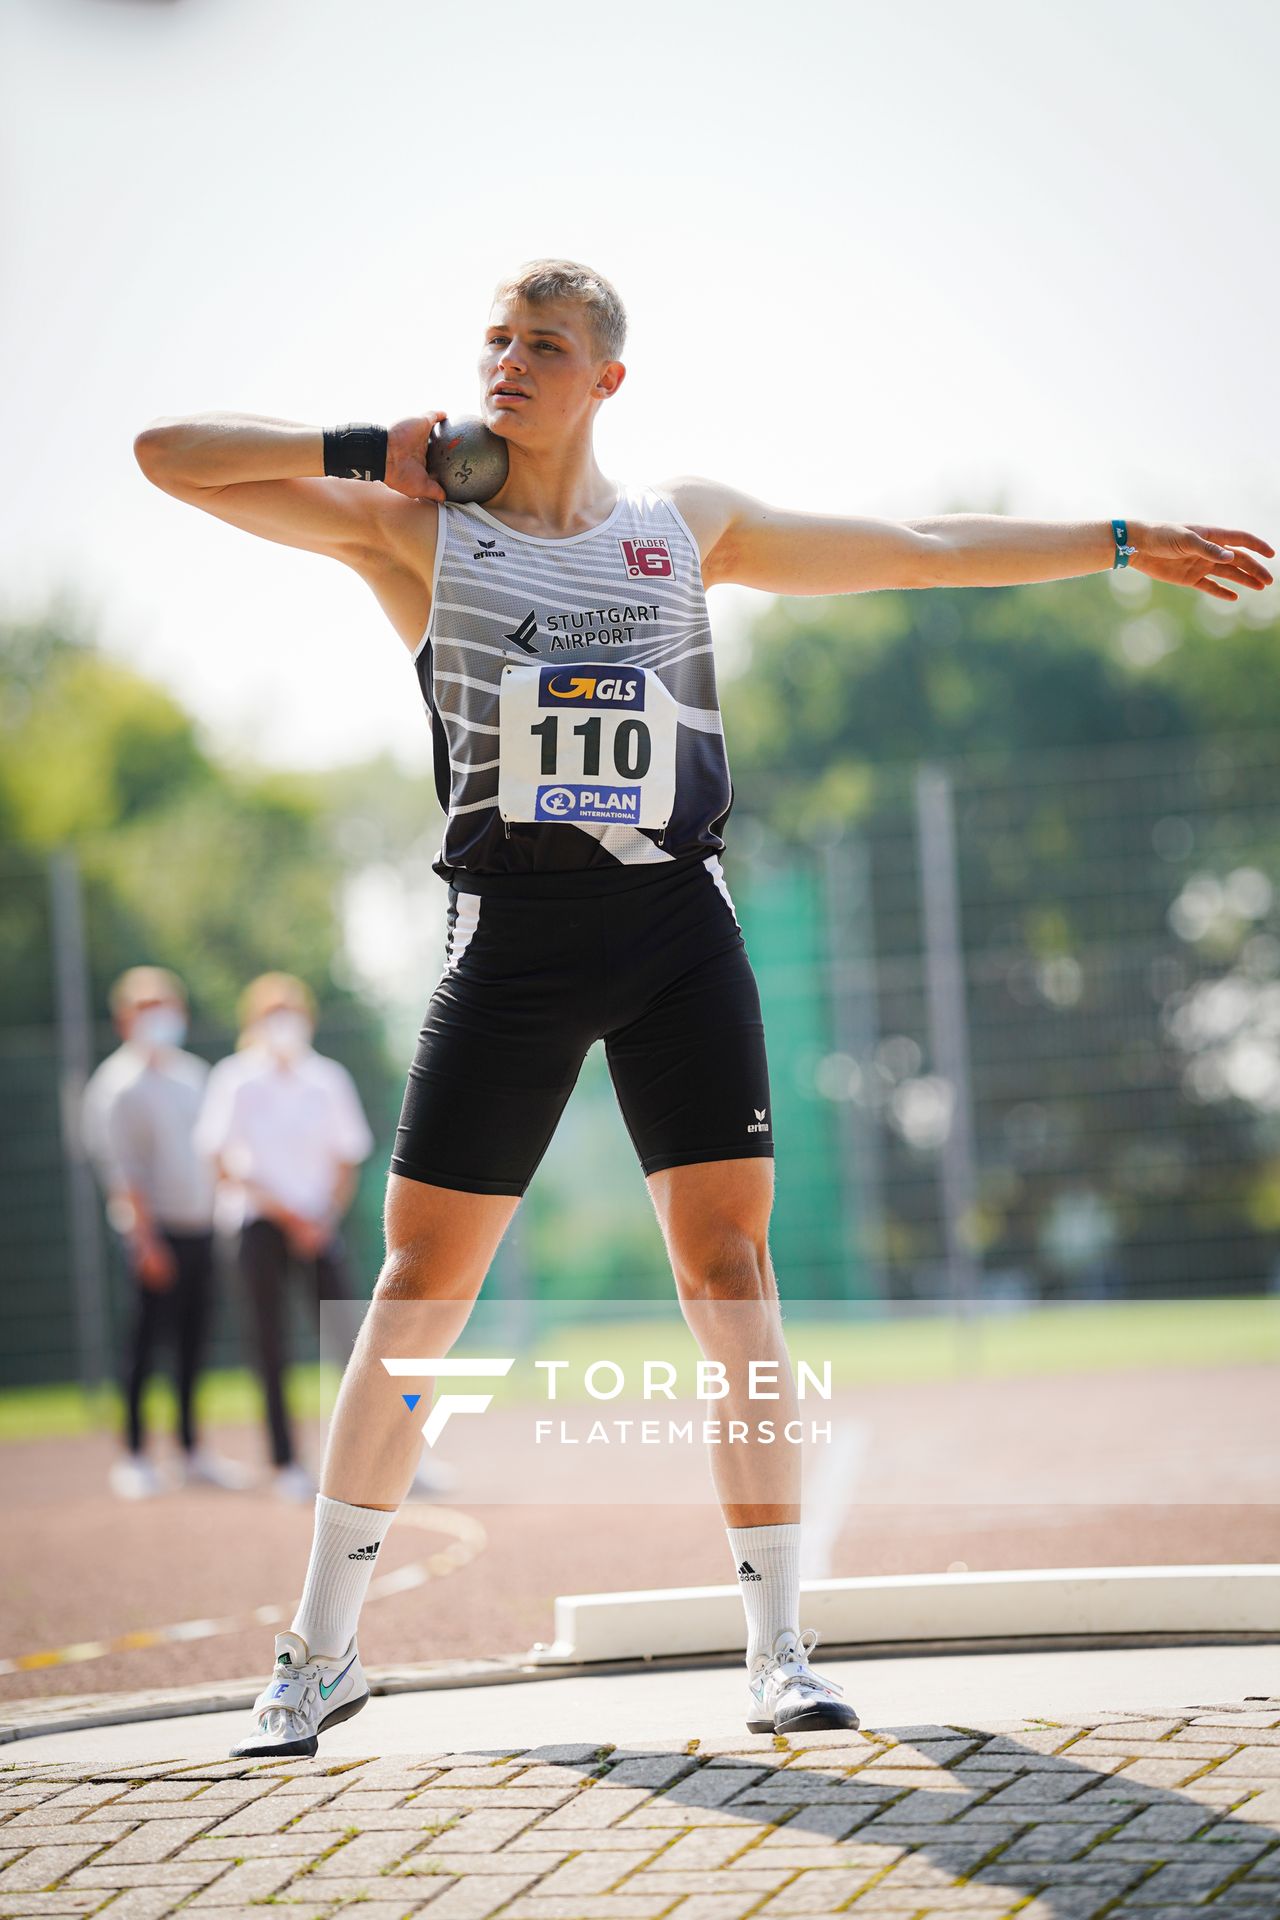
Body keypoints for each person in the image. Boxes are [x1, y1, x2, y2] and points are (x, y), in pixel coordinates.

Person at [133, 258, 1274, 1757]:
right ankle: (320, 1653)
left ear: (606, 377)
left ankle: (779, 1651)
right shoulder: (420, 530)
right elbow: (168, 458)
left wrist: (1115, 540)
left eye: (544, 344)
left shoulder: (684, 528)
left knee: (731, 1276)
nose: (507, 363)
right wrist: (363, 448)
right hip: (512, 941)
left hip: (675, 933)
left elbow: (919, 551)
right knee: (419, 1293)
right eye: (494, 341)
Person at [194, 972, 374, 1502]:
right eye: (272, 1013)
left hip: (319, 1227)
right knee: (269, 1344)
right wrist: (287, 1214)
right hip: (258, 1227)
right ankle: (286, 1462)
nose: (284, 1023)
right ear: (253, 1021)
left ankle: (377, 1457)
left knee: (353, 1342)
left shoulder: (328, 1078)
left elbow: (347, 1157)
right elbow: (221, 1161)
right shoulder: (235, 1079)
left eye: (291, 1012)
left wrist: (321, 1217)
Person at [81, 965, 245, 1497]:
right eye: (146, 1008)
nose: (159, 1018)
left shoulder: (194, 1075)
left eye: (165, 1006)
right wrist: (145, 1240)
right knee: (144, 1344)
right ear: (124, 1018)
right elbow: (122, 1173)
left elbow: (215, 1151)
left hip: (201, 1225)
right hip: (153, 1231)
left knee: (195, 1341)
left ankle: (191, 1450)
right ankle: (134, 1455)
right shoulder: (116, 1086)